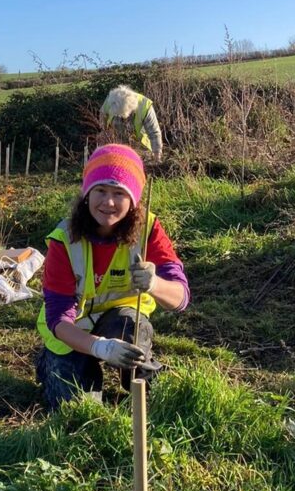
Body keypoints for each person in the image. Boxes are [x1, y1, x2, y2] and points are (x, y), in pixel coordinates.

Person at [35, 144, 189, 408]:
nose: (108, 202)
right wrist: (101, 348)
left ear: (133, 201)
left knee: (133, 328)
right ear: (87, 194)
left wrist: (155, 284)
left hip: (121, 320)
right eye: (101, 191)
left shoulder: (148, 229)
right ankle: (51, 364)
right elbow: (59, 320)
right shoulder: (63, 240)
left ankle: (140, 374)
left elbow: (180, 298)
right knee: (78, 408)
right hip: (71, 332)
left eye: (119, 193)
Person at [100, 85, 163, 161]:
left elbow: (154, 133)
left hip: (141, 149)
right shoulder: (111, 100)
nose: (121, 118)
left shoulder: (145, 106)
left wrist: (157, 156)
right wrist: (104, 132)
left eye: (122, 115)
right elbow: (102, 116)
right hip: (117, 147)